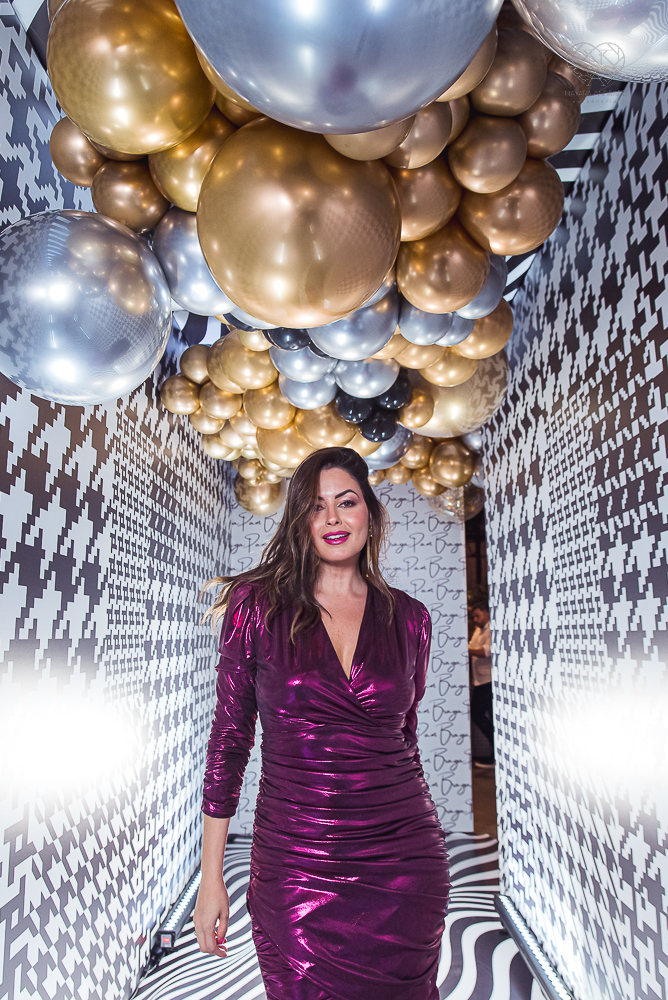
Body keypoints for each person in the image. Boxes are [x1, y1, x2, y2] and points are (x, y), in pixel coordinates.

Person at [193, 446, 450, 1000]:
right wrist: (210, 875)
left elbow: (404, 738)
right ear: (300, 521)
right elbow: (229, 741)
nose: (332, 517)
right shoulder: (255, 606)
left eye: (346, 502)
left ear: (371, 513)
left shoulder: (410, 617)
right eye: (315, 506)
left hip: (405, 862)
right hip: (297, 864)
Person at [468, 601, 494, 768]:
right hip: (479, 680)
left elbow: (486, 651)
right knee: (478, 715)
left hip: (490, 680)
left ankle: (495, 754)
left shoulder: (493, 629)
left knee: (482, 715)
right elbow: (471, 647)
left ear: (486, 613)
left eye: (478, 616)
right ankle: (495, 751)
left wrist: (463, 649)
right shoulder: (478, 630)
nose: (476, 620)